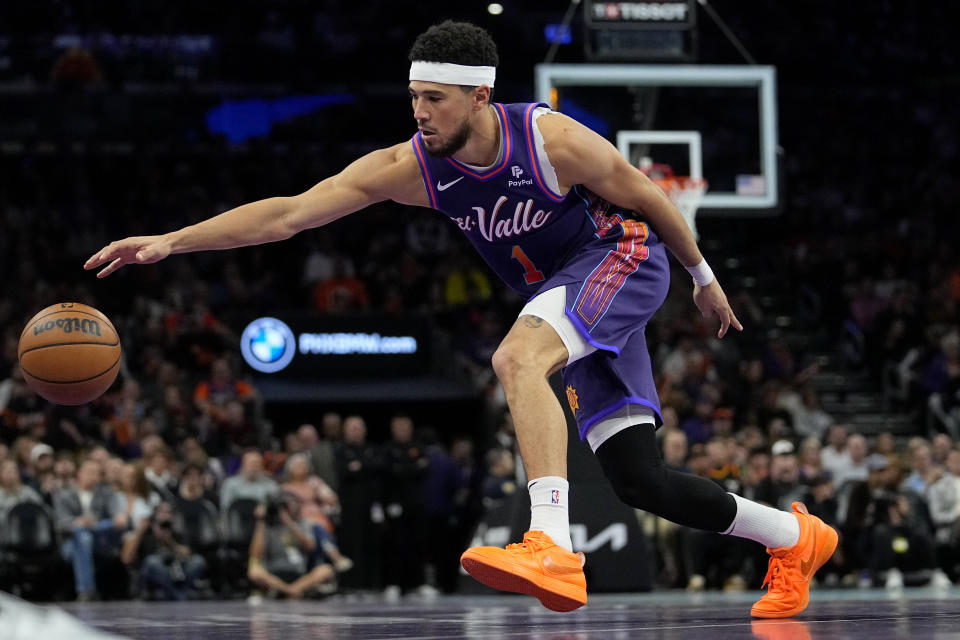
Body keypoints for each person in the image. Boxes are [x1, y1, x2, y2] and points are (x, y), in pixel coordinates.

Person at [84, 20, 836, 618]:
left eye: (434, 99)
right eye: (413, 97)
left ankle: (550, 543)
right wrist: (173, 241)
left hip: (624, 257)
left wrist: (703, 278)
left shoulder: (550, 141)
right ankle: (794, 537)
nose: (419, 112)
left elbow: (648, 195)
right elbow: (287, 215)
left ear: (479, 97)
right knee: (641, 481)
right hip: (570, 292)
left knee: (515, 359)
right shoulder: (413, 165)